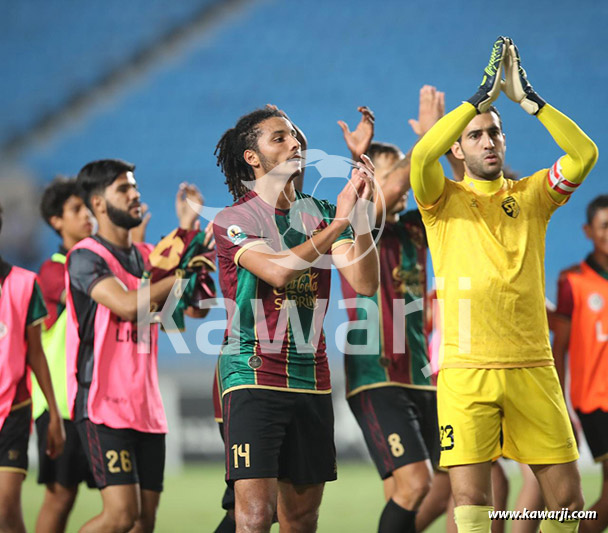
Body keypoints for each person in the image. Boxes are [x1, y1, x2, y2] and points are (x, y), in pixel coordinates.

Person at [410, 36, 598, 533]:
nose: (488, 141)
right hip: (467, 370)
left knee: (568, 503)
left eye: (495, 132)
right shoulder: (439, 198)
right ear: (457, 147)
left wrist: (529, 101)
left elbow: (584, 154)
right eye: (475, 135)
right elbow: (419, 160)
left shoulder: (534, 194)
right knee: (472, 500)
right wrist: (478, 99)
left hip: (533, 367)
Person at [213, 106, 379, 533]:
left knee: (302, 518)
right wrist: (340, 220)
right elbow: (278, 270)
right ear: (253, 157)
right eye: (280, 138)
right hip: (253, 374)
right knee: (253, 517)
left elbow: (363, 281)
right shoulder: (235, 219)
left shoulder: (319, 212)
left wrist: (357, 216)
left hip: (311, 376)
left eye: (296, 137)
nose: (295, 144)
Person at [65, 159, 205, 533]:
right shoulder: (85, 257)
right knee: (120, 516)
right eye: (123, 189)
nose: (135, 194)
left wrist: (189, 235)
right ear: (98, 203)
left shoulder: (147, 257)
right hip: (102, 405)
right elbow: (129, 306)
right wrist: (179, 272)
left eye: (134, 187)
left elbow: (188, 313)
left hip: (146, 406)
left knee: (143, 523)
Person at [32, 177, 97, 533]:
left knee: (122, 500)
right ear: (56, 221)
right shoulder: (54, 272)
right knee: (60, 497)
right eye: (76, 210)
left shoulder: (91, 264)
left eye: (88, 207)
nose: (87, 216)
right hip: (60, 403)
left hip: (92, 401)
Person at [0, 202, 65, 533]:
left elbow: (36, 354)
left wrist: (53, 414)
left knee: (6, 508)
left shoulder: (25, 283)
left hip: (14, 406)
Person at [554, 195, 608, 533]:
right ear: (588, 231)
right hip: (596, 401)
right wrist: (560, 405)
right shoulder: (572, 282)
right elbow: (558, 349)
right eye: (605, 226)